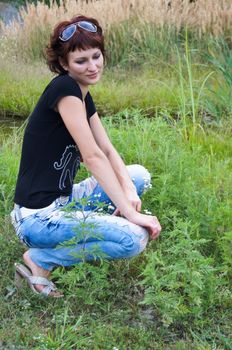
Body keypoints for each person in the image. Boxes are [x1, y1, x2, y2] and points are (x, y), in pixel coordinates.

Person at [11, 15, 162, 298]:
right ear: (65, 64)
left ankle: (102, 223)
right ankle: (41, 259)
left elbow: (106, 149)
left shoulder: (81, 92)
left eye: (96, 56)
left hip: (65, 201)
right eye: (81, 61)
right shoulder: (64, 89)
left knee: (138, 176)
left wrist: (128, 192)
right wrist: (130, 213)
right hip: (39, 220)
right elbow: (92, 156)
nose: (92, 66)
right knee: (134, 238)